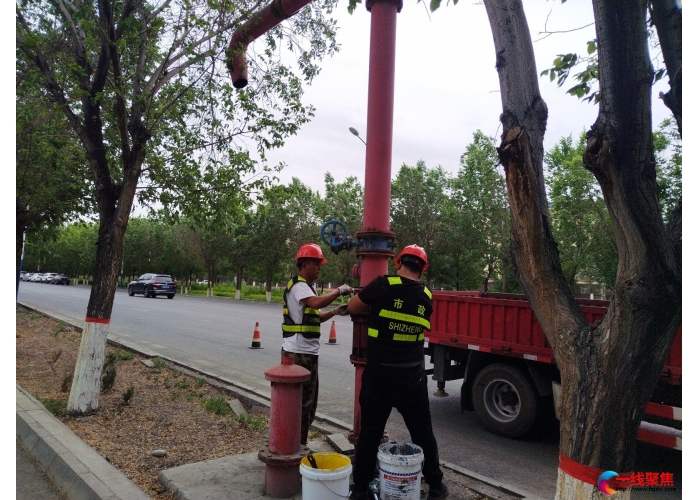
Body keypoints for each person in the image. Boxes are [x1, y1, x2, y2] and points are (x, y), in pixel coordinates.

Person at [347, 244, 448, 500]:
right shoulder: (427, 295)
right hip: (412, 377)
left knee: (370, 432)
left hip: (379, 375)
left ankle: (360, 488)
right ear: (422, 269)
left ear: (398, 262)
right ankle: (436, 485)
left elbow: (353, 307)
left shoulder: (383, 284)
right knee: (423, 432)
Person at [282, 243, 353, 445]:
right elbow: (315, 304)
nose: (320, 267)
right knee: (302, 405)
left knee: (309, 405)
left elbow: (313, 317)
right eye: (317, 263)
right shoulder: (299, 286)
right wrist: (339, 291)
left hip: (307, 353)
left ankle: (297, 445)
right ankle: (295, 446)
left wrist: (334, 312)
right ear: (305, 264)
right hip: (298, 353)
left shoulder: (307, 287)